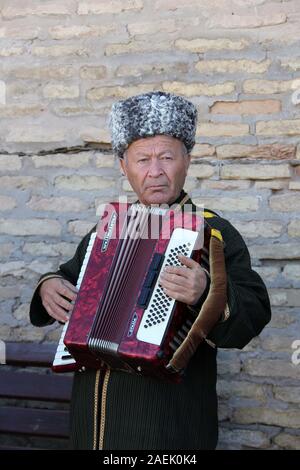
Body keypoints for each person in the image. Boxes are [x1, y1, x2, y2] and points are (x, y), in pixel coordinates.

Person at [29, 91, 271, 450]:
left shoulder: (214, 232)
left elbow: (252, 315)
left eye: (166, 157)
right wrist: (48, 285)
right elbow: (68, 276)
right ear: (123, 166)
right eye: (142, 159)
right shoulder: (108, 231)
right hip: (90, 425)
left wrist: (207, 292)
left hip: (166, 429)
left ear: (187, 160)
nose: (155, 171)